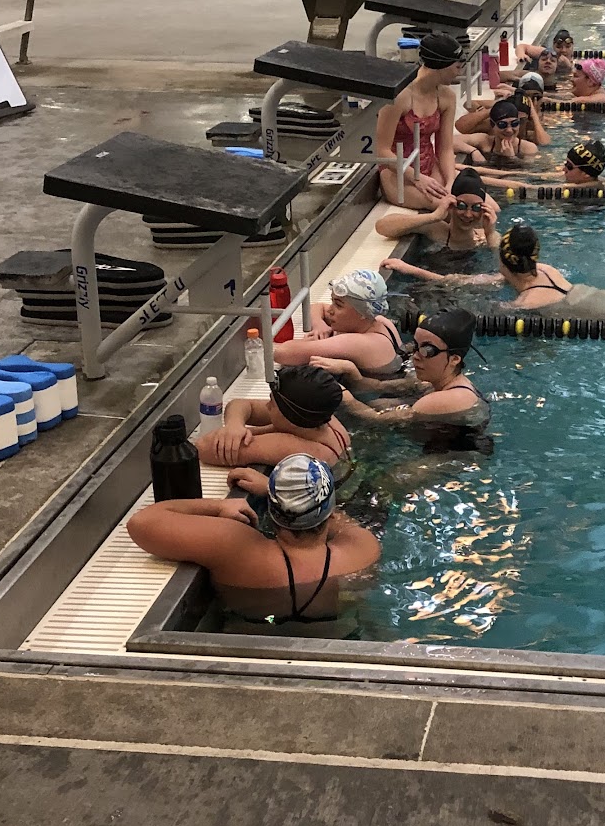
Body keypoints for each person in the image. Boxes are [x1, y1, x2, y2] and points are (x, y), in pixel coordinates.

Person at [127, 454, 380, 627]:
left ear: (271, 509)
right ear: (330, 509)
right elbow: (341, 521)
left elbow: (142, 523)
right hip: (335, 639)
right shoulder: (362, 549)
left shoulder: (236, 547)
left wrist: (218, 507)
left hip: (247, 636)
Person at [314, 306, 492, 449]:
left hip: (456, 455)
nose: (416, 355)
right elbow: (376, 386)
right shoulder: (432, 382)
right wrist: (350, 370)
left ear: (454, 359)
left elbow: (374, 419)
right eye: (416, 345)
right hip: (438, 437)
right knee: (380, 403)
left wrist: (343, 394)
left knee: (391, 481)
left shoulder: (447, 398)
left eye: (428, 350)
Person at [385, 221, 605, 318]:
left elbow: (464, 289)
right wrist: (409, 268)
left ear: (503, 262)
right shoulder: (546, 270)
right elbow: (461, 280)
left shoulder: (526, 303)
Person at [195, 365, 351, 481]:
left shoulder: (296, 448)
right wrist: (234, 426)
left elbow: (203, 447)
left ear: (288, 416)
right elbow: (241, 404)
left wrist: (242, 435)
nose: (267, 406)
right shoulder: (323, 421)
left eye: (272, 403)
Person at [374, 31, 466, 213]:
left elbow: (445, 148)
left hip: (431, 168)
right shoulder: (399, 96)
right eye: (458, 66)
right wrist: (416, 178)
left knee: (472, 202)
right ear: (442, 66)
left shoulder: (447, 96)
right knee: (450, 209)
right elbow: (382, 150)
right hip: (397, 174)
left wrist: (451, 181)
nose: (460, 71)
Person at [274, 268, 409, 378]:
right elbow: (317, 306)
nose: (331, 310)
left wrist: (306, 343)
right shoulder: (379, 321)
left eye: (338, 305)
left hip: (380, 393)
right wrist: (319, 324)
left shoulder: (358, 342)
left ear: (361, 312)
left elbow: (281, 354)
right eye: (332, 301)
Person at [376, 165, 500, 257]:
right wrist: (434, 216)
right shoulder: (437, 230)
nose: (468, 214)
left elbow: (500, 266)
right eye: (461, 205)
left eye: (476, 208)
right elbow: (382, 227)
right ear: (452, 204)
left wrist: (491, 234)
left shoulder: (487, 237)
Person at [461, 96, 539, 172]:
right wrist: (473, 151)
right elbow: (452, 140)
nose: (509, 130)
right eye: (502, 125)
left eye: (514, 123)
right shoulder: (484, 141)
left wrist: (512, 158)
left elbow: (528, 174)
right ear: (492, 125)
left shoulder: (528, 148)